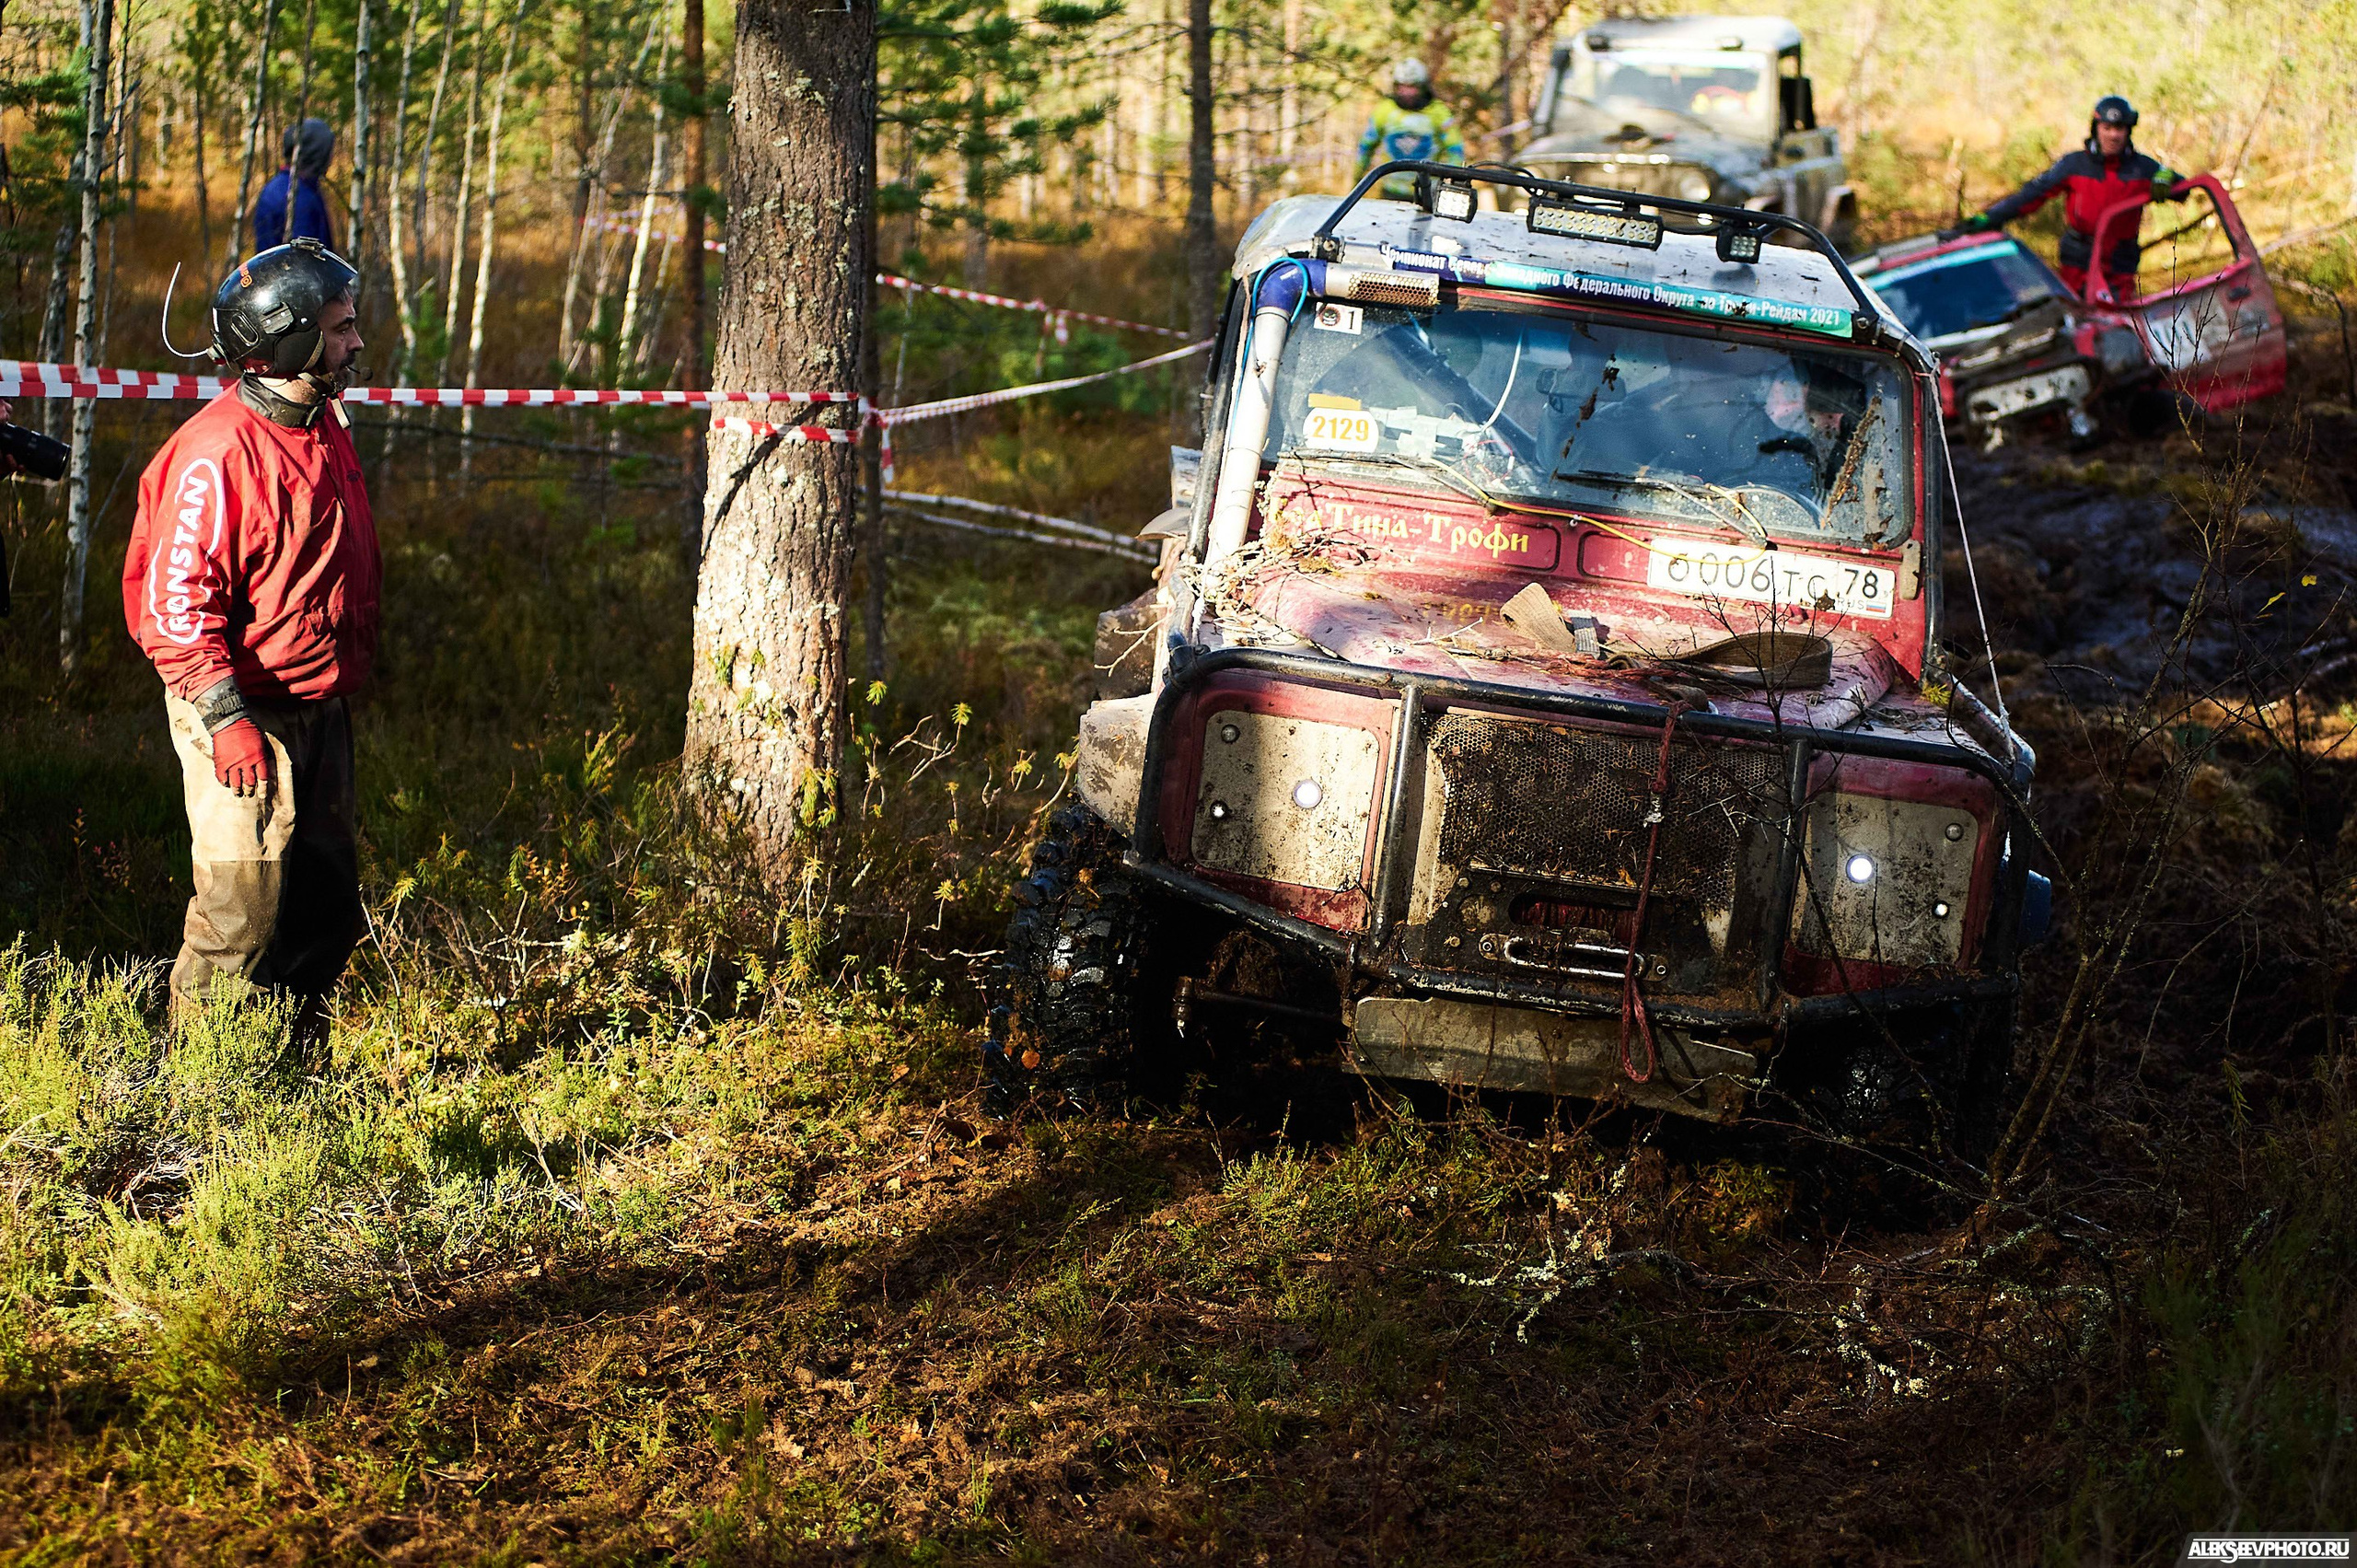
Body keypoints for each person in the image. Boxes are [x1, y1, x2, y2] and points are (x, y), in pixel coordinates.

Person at [121, 238, 380, 1043]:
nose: (356, 343)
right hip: (239, 711)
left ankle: (288, 1079)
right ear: (291, 340)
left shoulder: (317, 418)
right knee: (241, 914)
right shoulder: (215, 453)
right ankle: (202, 1105)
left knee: (327, 905)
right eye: (341, 329)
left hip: (317, 706)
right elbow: (173, 606)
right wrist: (226, 717)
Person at [1956, 95, 2182, 298]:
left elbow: (2186, 189)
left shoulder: (2143, 168)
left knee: (2119, 325)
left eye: (2120, 128)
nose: (2113, 135)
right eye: (2107, 127)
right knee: (2074, 322)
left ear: (2128, 131)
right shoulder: (2074, 164)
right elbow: (2031, 195)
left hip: (2119, 265)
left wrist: (2167, 176)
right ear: (2096, 128)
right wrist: (1989, 218)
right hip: (2078, 260)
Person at [1358, 60, 1466, 201]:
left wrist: (1452, 185)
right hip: (1391, 191)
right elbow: (1366, 147)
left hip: (1428, 192)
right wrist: (1357, 182)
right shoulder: (1384, 110)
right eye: (1402, 87)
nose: (1407, 93)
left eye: (1413, 87)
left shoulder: (1439, 112)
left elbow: (1455, 150)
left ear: (1423, 87)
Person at [252, 117, 338, 254]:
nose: (331, 159)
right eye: (328, 152)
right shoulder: (301, 199)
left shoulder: (272, 187)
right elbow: (307, 261)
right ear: (317, 154)